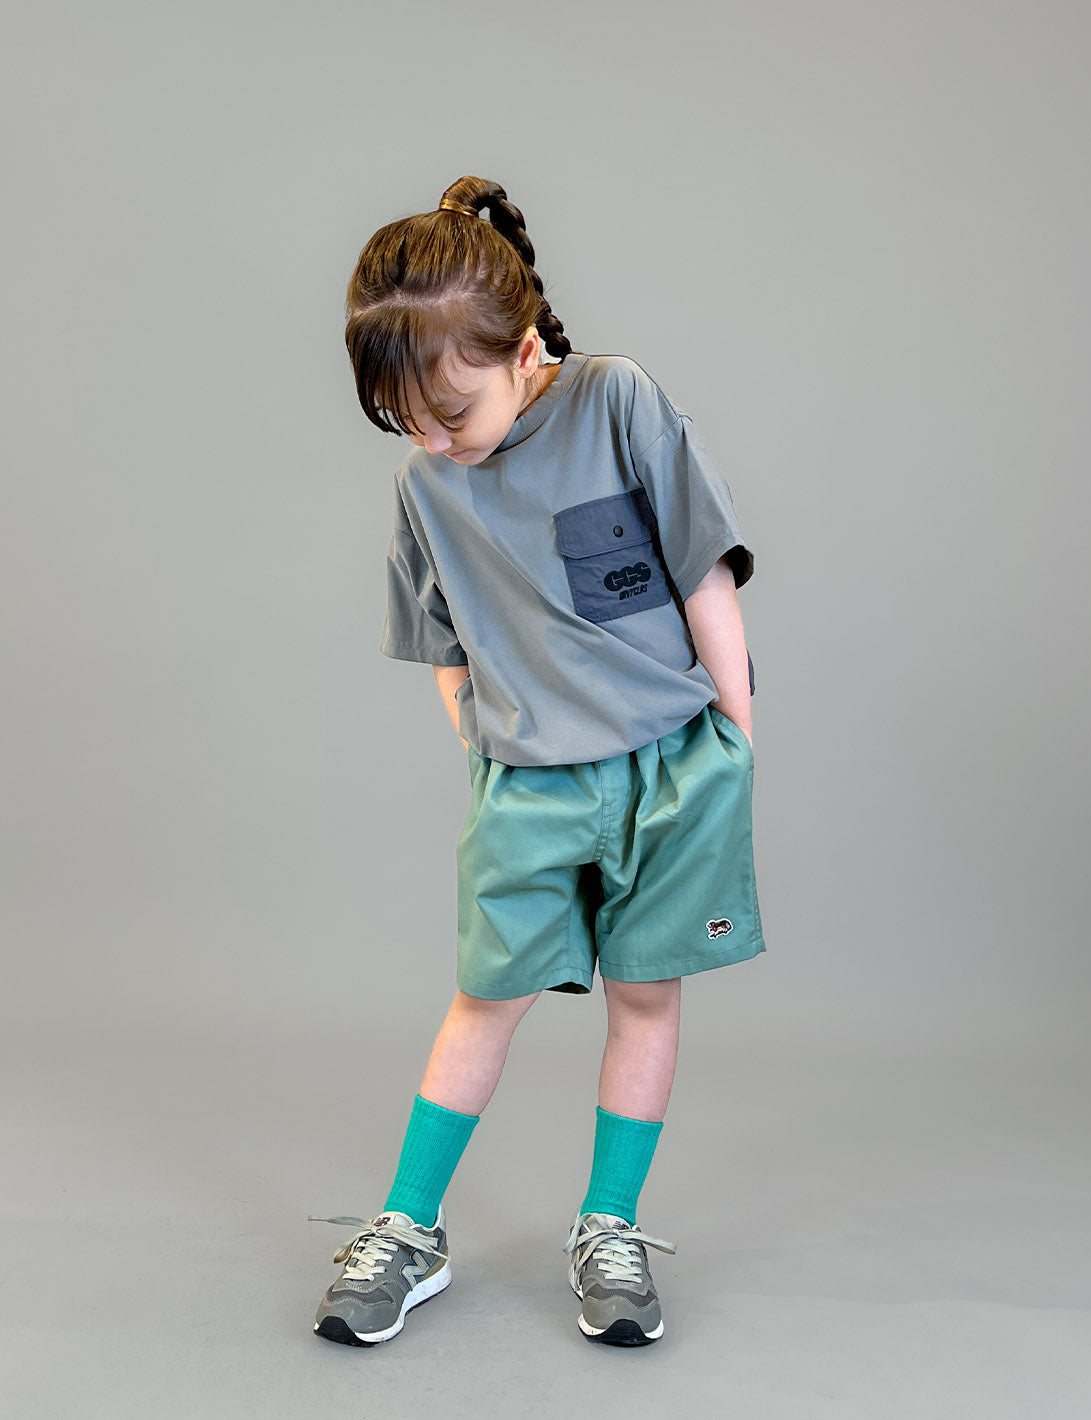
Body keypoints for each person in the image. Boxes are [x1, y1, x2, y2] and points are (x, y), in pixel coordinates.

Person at [308, 175, 764, 1350]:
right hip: (527, 788)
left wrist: (736, 736)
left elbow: (702, 567)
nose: (431, 440)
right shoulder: (427, 484)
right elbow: (441, 641)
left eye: (450, 412)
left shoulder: (617, 401)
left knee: (644, 998)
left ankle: (608, 1225)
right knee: (483, 1001)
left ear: (521, 354)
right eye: (403, 421)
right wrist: (485, 737)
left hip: (668, 770)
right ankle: (408, 1227)